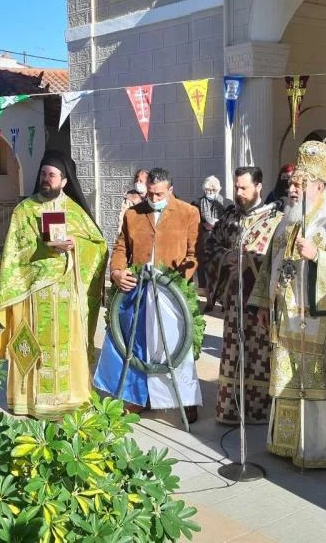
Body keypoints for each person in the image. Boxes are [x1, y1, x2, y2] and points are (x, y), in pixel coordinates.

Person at [249, 140, 326, 468]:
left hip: (322, 322)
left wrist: (318, 257)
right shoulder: (286, 221)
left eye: (300, 184)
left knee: (318, 384)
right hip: (286, 320)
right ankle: (287, 444)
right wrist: (263, 304)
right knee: (287, 380)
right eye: (291, 183)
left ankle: (318, 450)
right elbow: (270, 265)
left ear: (319, 186)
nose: (292, 189)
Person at [0, 149, 108, 420]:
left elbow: (98, 247)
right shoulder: (24, 210)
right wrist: (42, 248)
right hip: (32, 293)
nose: (46, 179)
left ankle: (70, 398)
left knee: (66, 346)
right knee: (30, 345)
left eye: (52, 175)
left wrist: (75, 245)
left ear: (64, 181)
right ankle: (27, 400)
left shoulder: (75, 212)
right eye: (43, 174)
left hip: (65, 293)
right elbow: (13, 253)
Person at [100, 167, 202, 422]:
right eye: (151, 194)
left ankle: (184, 398)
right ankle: (137, 397)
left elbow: (194, 253)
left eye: (159, 194)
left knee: (175, 344)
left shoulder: (188, 213)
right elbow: (121, 248)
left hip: (173, 291)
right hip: (140, 290)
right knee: (141, 344)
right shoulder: (133, 214)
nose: (154, 199)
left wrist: (179, 279)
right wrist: (117, 272)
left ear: (170, 190)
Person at [203, 167, 284, 424]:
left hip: (262, 302)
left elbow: (282, 260)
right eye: (236, 187)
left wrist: (251, 260)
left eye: (244, 188)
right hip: (234, 299)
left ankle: (259, 410)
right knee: (233, 350)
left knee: (261, 353)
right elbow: (211, 246)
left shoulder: (276, 220)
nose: (238, 193)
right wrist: (225, 257)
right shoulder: (229, 217)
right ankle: (230, 408)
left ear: (259, 187)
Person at [194, 175, 234, 291]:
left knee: (221, 270)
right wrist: (203, 225)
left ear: (219, 189)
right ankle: (208, 298)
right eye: (208, 190)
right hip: (204, 241)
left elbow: (232, 222)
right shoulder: (197, 203)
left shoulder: (227, 203)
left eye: (213, 190)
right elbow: (193, 222)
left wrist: (220, 225)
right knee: (204, 272)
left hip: (221, 242)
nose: (210, 192)